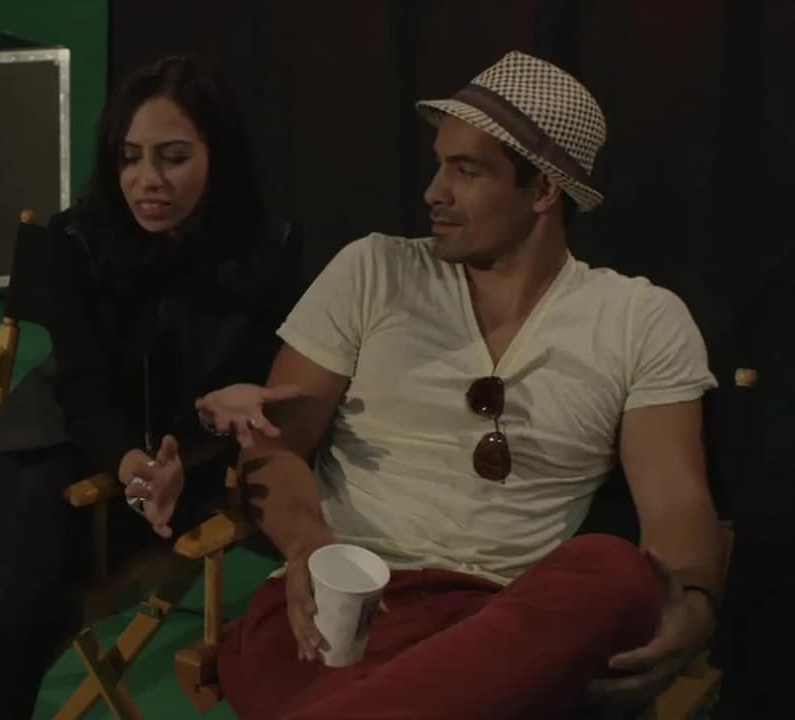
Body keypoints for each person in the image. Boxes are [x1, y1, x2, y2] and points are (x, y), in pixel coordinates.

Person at [189, 51, 723, 719]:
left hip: (503, 623)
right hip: (342, 602)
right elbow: (273, 445)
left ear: (544, 190)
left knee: (616, 571)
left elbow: (675, 498)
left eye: (465, 171)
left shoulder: (641, 319)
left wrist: (695, 605)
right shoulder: (372, 271)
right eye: (440, 164)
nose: (433, 192)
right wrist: (307, 544)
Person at [0, 55, 301, 718]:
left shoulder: (267, 249)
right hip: (47, 440)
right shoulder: (77, 237)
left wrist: (185, 449)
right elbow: (83, 386)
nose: (146, 181)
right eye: (129, 157)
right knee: (27, 568)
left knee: (19, 601)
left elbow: (242, 389)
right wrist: (133, 464)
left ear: (219, 155)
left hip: (182, 464)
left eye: (173, 157)